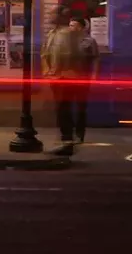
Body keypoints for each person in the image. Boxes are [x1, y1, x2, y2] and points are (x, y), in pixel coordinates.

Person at [42, 13, 82, 155]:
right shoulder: (53, 33)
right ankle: (65, 141)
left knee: (64, 109)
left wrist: (59, 71)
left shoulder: (68, 34)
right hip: (56, 77)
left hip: (65, 77)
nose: (51, 16)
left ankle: (67, 142)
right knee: (60, 109)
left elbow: (69, 54)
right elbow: (47, 52)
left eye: (54, 13)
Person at [69, 15, 100, 145]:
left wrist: (94, 76)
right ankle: (67, 134)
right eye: (69, 25)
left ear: (81, 27)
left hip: (82, 78)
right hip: (67, 78)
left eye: (73, 25)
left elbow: (96, 59)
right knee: (66, 107)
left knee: (81, 108)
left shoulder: (89, 41)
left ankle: (79, 134)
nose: (70, 28)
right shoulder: (66, 40)